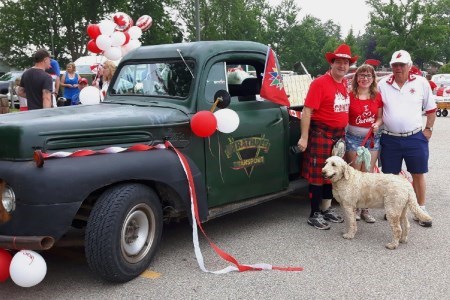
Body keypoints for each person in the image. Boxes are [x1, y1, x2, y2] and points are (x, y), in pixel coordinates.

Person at [298, 43, 358, 230]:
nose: (342, 66)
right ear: (331, 63)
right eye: (338, 62)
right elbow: (307, 111)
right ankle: (314, 213)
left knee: (331, 174)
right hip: (321, 134)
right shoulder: (319, 83)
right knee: (318, 174)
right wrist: (304, 137)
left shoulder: (343, 84)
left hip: (338, 136)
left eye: (346, 63)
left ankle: (326, 209)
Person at [378, 50, 436, 227]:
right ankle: (393, 210)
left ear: (409, 66)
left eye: (402, 65)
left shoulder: (421, 83)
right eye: (395, 65)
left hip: (414, 137)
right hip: (390, 138)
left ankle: (420, 209)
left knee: (418, 173)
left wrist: (428, 129)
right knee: (391, 177)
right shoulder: (382, 84)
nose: (398, 68)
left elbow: (431, 109)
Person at [345, 64, 383, 223]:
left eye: (368, 75)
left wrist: (377, 124)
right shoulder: (349, 95)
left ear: (373, 78)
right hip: (353, 138)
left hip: (372, 138)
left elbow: (380, 117)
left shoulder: (377, 96)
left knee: (368, 174)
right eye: (361, 75)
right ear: (356, 78)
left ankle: (365, 209)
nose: (365, 78)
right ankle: (354, 208)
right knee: (355, 175)